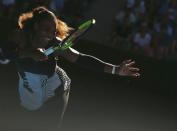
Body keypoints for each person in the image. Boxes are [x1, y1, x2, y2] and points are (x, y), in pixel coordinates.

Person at [3, 6, 140, 112]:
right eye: (47, 28)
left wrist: (116, 70)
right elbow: (5, 54)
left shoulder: (57, 44)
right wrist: (31, 53)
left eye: (53, 30)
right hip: (29, 91)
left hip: (56, 86)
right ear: (36, 26)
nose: (51, 34)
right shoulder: (19, 36)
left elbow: (81, 59)